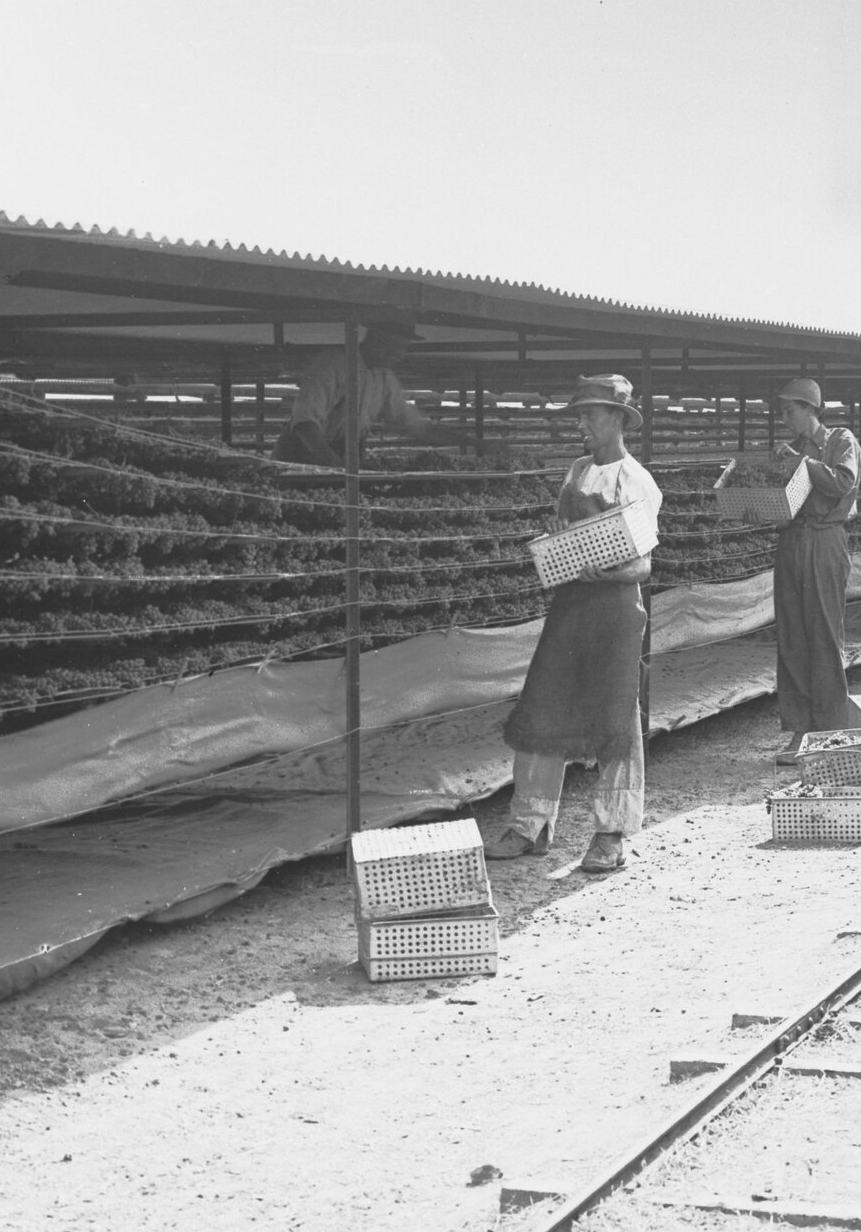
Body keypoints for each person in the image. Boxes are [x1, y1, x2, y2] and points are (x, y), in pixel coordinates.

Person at [486, 375, 661, 872]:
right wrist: (558, 545)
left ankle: (612, 832)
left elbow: (644, 566)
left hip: (613, 609)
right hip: (570, 604)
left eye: (591, 414)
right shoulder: (577, 471)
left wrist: (606, 570)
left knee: (613, 719)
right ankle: (529, 824)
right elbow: (565, 532)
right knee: (547, 705)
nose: (581, 423)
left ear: (618, 419)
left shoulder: (636, 480)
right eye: (579, 415)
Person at [768, 377, 861, 764]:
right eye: (783, 411)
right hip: (793, 540)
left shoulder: (840, 441)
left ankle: (828, 729)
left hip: (825, 540)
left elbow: (843, 481)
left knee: (823, 633)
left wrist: (803, 464)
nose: (785, 418)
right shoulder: (795, 449)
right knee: (792, 635)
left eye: (791, 410)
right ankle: (800, 729)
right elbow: (785, 499)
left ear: (810, 409)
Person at [271, 320, 480, 466]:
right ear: (377, 339)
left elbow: (416, 426)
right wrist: (330, 464)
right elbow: (305, 423)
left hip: (340, 458)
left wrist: (473, 443)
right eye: (396, 348)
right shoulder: (333, 364)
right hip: (301, 457)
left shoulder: (384, 378)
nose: (400, 356)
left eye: (402, 349)